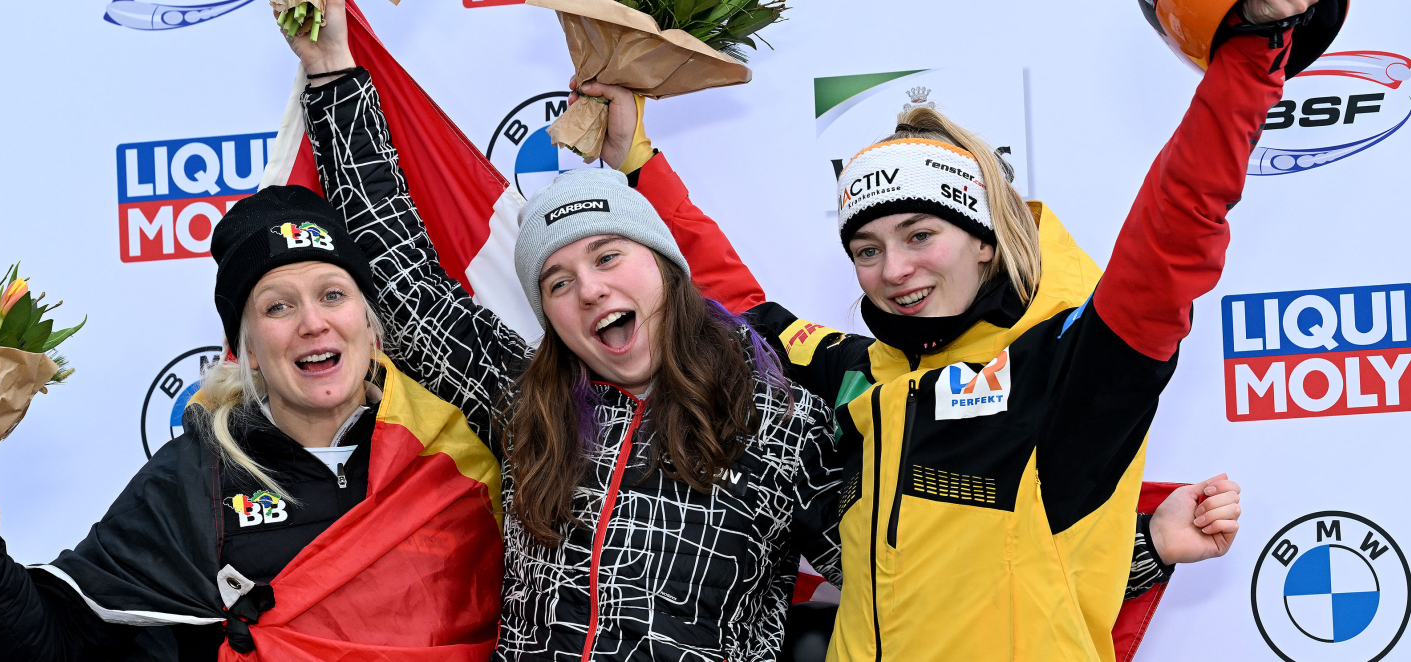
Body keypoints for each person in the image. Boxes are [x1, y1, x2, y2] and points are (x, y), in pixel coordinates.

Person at [549, 0, 1323, 658]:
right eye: (867, 249)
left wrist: (1251, 49)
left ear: (986, 239)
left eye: (921, 235)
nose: (894, 269)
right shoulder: (861, 375)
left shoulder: (1070, 370)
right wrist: (638, 160)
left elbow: (1180, 222)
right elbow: (741, 307)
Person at [0, 26, 505, 661]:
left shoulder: (459, 450)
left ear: (372, 323)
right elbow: (53, 645)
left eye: (332, 294)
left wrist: (333, 68)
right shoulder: (201, 473)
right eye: (277, 306)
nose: (312, 323)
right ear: (246, 346)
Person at [292, 2, 844, 659]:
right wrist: (330, 70)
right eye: (557, 282)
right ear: (549, 317)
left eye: (609, 256)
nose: (589, 289)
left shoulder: (785, 425)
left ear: (668, 270)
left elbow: (901, 581)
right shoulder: (529, 409)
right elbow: (402, 278)